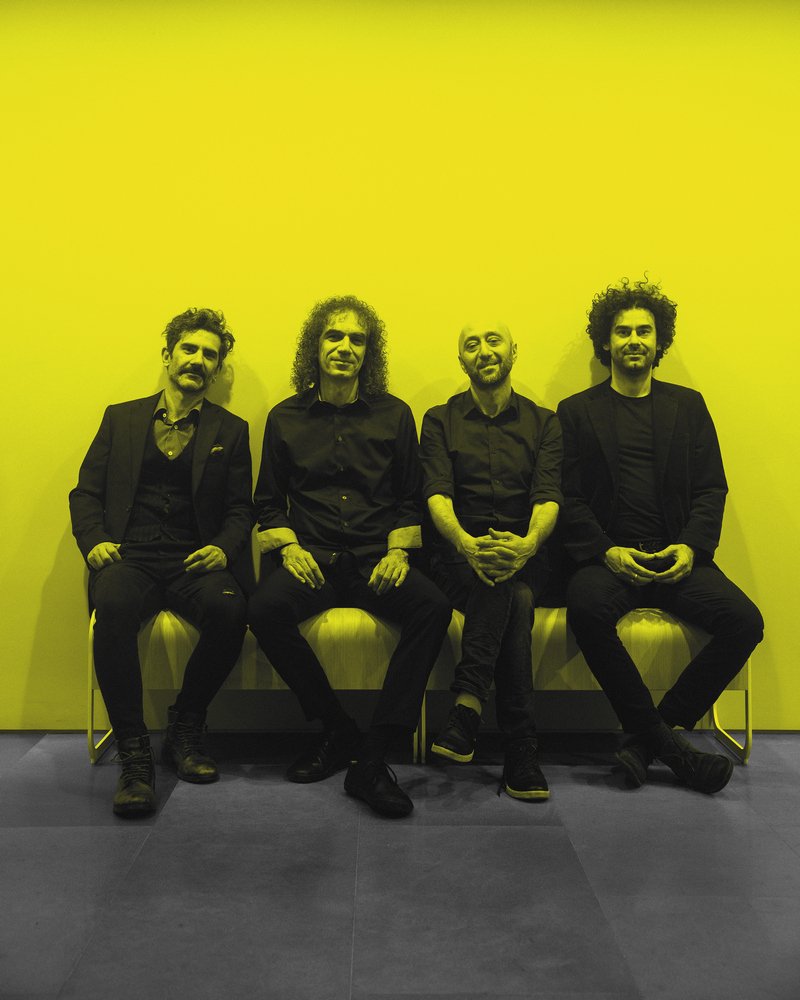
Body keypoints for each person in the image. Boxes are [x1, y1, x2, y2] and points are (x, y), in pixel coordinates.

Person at [248, 295, 452, 818]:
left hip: (373, 560)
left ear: (369, 352)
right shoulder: (284, 418)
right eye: (333, 336)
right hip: (311, 560)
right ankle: (336, 728)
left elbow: (410, 498)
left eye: (356, 339)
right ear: (314, 347)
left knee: (432, 607)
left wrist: (399, 552)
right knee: (263, 609)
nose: (344, 347)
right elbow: (267, 502)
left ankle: (374, 755)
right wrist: (288, 547)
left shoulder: (395, 414)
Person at [557, 278, 763, 793]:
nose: (633, 340)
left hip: (676, 556)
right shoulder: (576, 411)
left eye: (643, 331)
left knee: (745, 623)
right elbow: (568, 498)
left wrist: (691, 547)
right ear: (605, 342)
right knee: (585, 608)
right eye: (622, 331)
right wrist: (606, 551)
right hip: (609, 560)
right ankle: (669, 747)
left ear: (658, 340)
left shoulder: (688, 406)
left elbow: (712, 488)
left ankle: (649, 739)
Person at [69, 308, 253, 818]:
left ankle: (185, 727)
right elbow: (85, 493)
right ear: (168, 355)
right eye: (189, 349)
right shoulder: (121, 418)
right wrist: (94, 541)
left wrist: (225, 547)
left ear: (217, 369)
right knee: (112, 606)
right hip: (131, 556)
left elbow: (241, 509)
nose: (198, 360)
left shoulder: (232, 430)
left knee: (232, 609)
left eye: (210, 355)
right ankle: (134, 754)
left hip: (195, 561)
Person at [420, 320, 561, 800]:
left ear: (513, 351)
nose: (484, 350)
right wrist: (466, 543)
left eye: (493, 340)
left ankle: (467, 708)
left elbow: (548, 496)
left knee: (512, 586)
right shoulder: (439, 420)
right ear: (461, 359)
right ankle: (521, 750)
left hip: (529, 555)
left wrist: (527, 544)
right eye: (471, 344)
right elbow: (437, 494)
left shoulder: (545, 422)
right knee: (512, 596)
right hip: (457, 558)